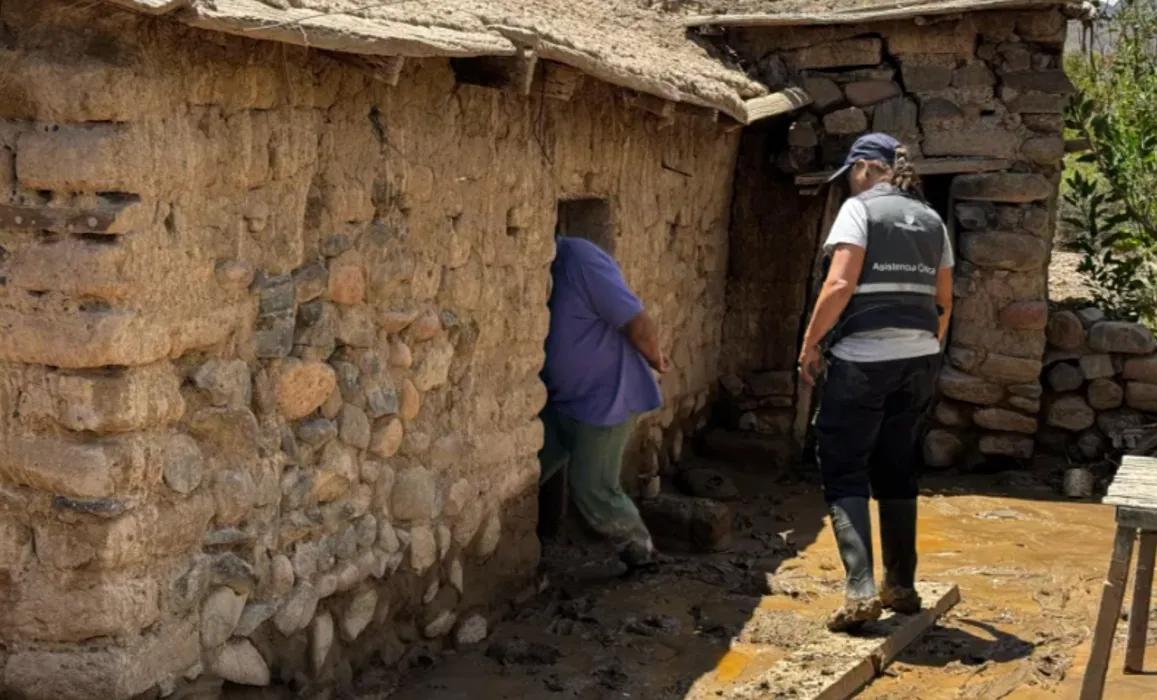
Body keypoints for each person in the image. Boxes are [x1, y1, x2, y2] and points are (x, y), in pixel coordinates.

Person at [797, 133, 954, 632]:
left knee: (844, 469)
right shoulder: (932, 220)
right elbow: (945, 300)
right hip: (921, 360)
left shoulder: (860, 210)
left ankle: (861, 590)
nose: (849, 185)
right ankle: (902, 585)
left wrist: (811, 342)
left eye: (851, 176)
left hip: (863, 358)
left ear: (866, 168)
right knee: (896, 467)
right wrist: (926, 347)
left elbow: (840, 283)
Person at [538, 235, 669, 571]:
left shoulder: (581, 259)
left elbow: (638, 325)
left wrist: (658, 361)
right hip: (559, 399)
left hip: (606, 397)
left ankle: (640, 552)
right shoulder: (546, 263)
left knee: (592, 486)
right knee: (528, 467)